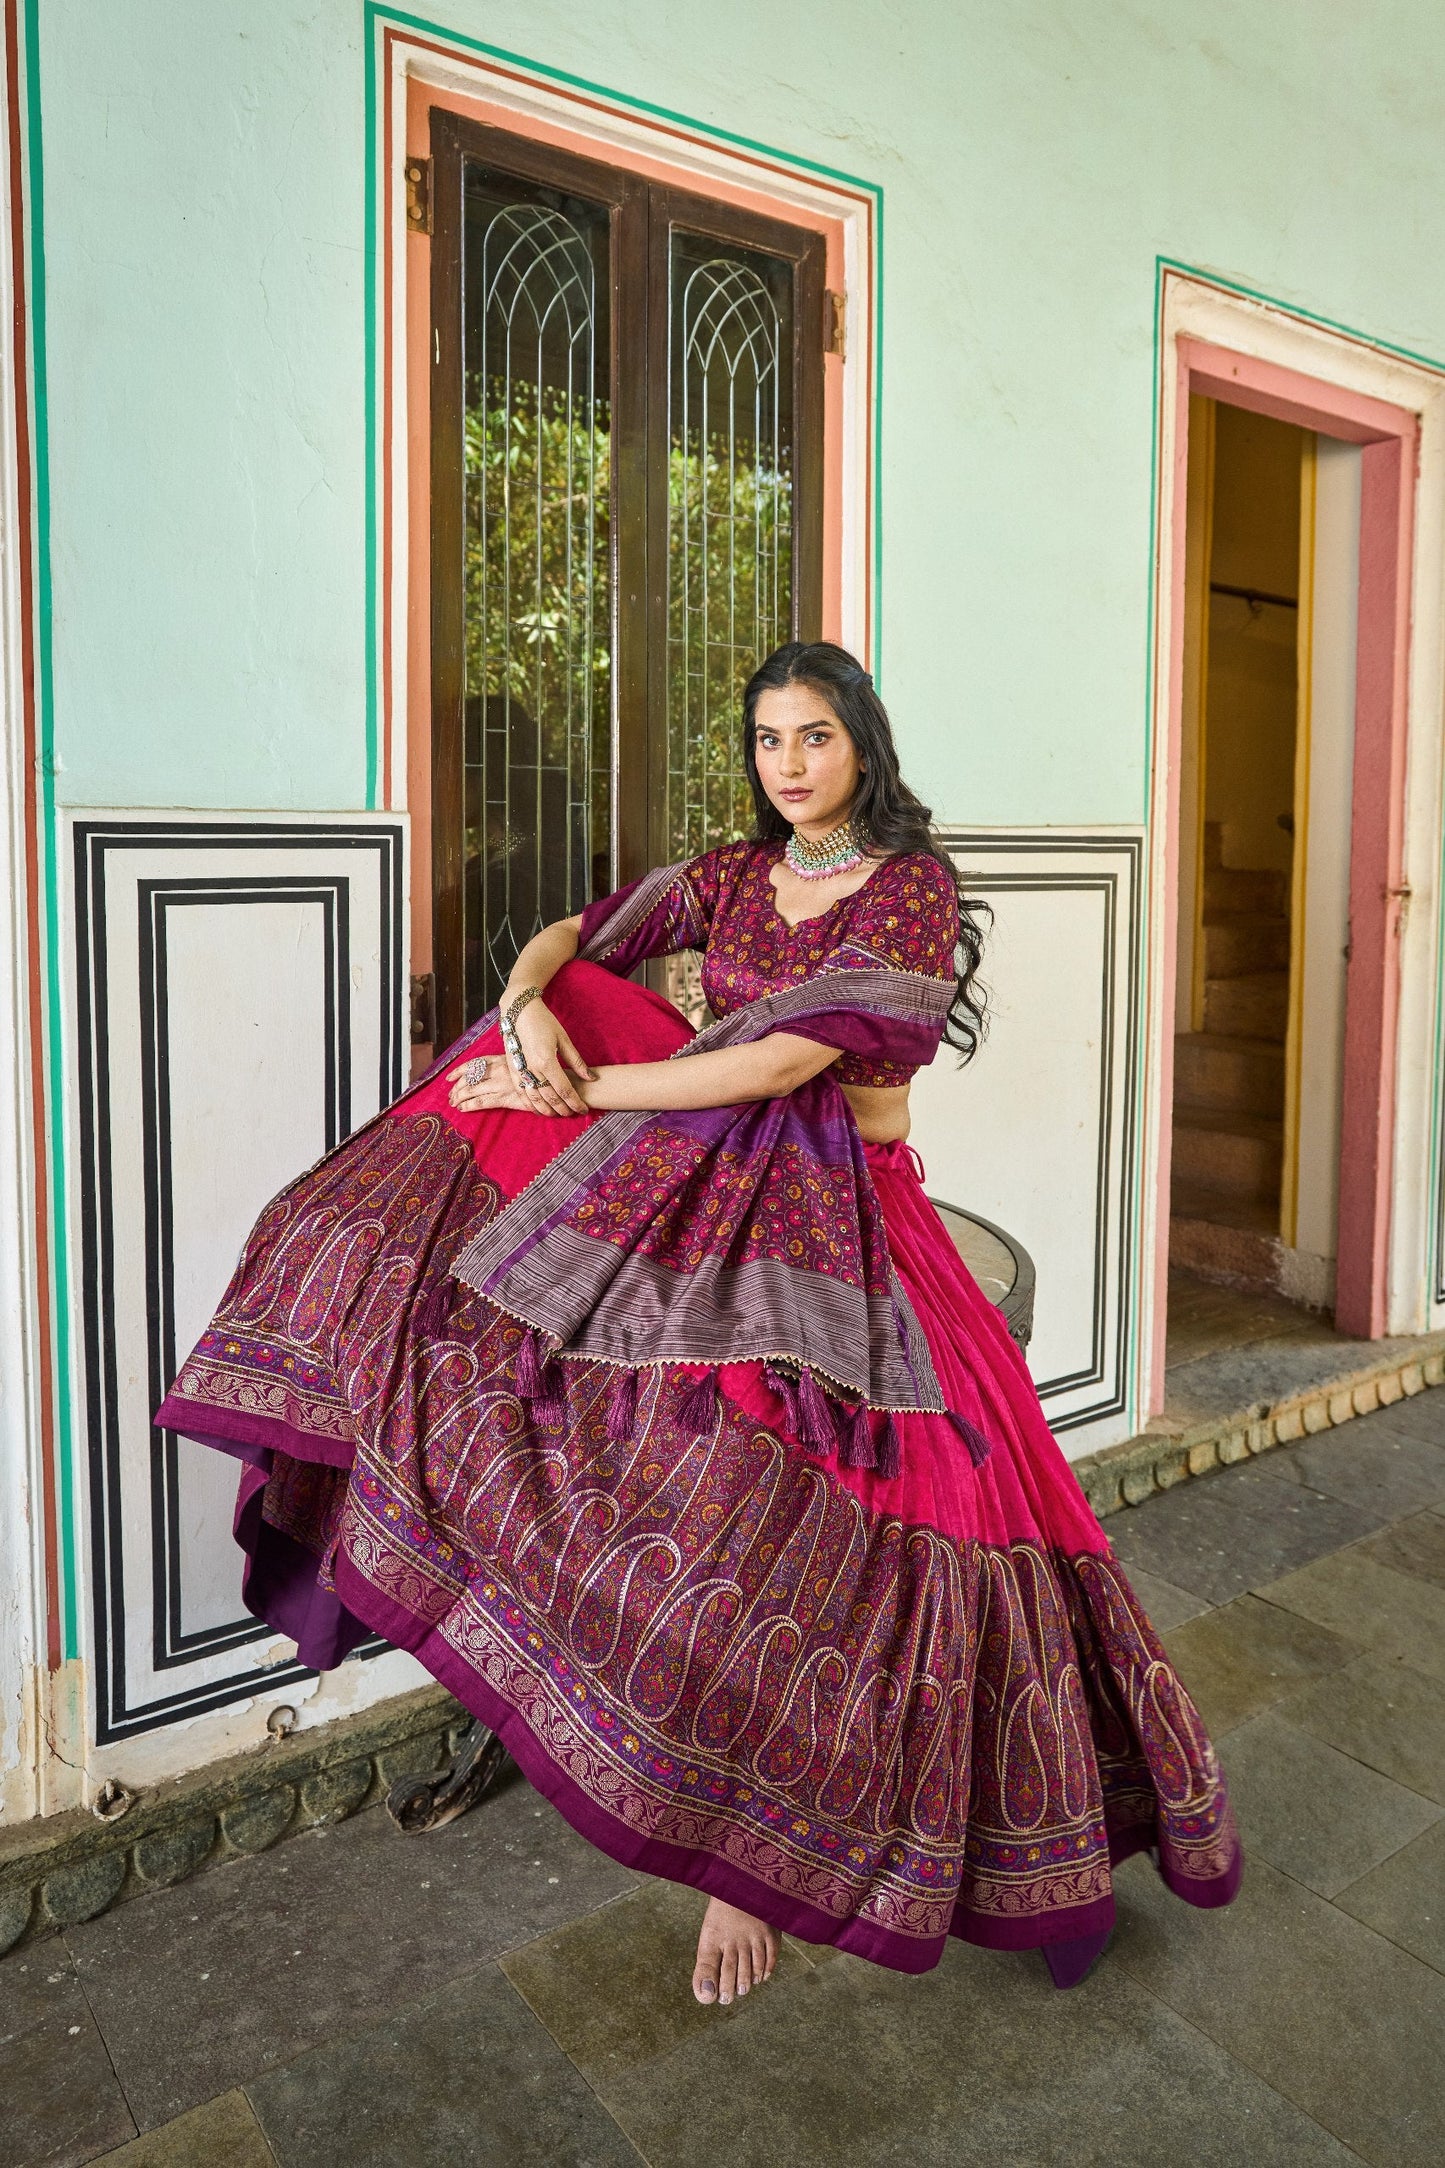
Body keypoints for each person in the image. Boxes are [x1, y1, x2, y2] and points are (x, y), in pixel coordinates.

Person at [158, 641, 1239, 2006]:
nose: (789, 767)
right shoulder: (732, 877)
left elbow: (791, 1062)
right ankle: (679, 1801)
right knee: (606, 1446)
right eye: (769, 742)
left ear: (865, 744)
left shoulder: (909, 887)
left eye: (816, 739)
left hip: (848, 1214)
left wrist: (586, 1091)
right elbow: (584, 932)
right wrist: (523, 1009)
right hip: (699, 1178)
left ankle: (766, 1872)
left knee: (889, 1517)